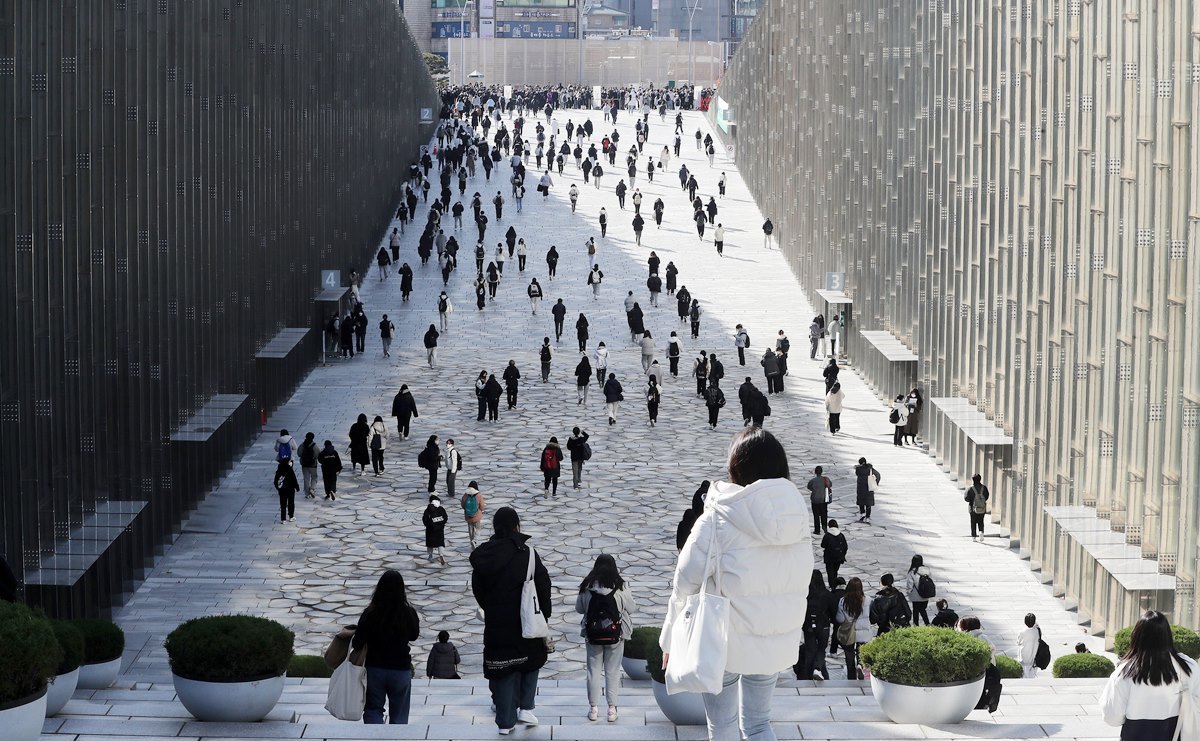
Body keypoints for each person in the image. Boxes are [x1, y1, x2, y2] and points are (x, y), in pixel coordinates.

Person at [660, 427, 811, 741]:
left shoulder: (717, 517)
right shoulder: (796, 516)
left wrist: (669, 640)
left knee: (723, 727)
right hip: (773, 637)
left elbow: (684, 582)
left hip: (723, 639)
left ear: (736, 467)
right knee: (758, 725)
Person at [471, 507, 552, 735]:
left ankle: (506, 722)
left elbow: (478, 588)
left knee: (504, 667)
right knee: (531, 660)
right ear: (517, 526)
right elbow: (543, 586)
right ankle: (526, 707)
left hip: (497, 623)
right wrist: (544, 614)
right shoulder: (527, 553)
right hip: (526, 620)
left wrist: (491, 607)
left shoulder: (485, 556)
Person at [1100, 610, 1200, 738]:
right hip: (1177, 734)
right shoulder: (1188, 666)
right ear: (1167, 635)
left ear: (1137, 636)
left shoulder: (1124, 672)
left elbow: (1112, 718)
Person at [352, 570, 421, 724]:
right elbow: (414, 636)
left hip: (375, 669)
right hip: (400, 669)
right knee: (400, 714)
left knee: (373, 709)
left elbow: (357, 643)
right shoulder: (408, 613)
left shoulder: (370, 613)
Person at [575, 554, 636, 722]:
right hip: (616, 634)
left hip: (592, 635)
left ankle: (593, 709)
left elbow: (579, 608)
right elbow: (631, 608)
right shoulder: (620, 586)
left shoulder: (587, 586)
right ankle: (611, 709)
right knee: (613, 671)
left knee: (593, 671)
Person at [796, 570, 834, 681]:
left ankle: (807, 676)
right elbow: (833, 612)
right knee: (821, 649)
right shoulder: (827, 594)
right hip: (823, 626)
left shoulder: (806, 594)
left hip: (808, 626)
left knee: (810, 651)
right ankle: (817, 669)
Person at [836, 577, 871, 680]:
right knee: (861, 651)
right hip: (863, 632)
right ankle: (860, 665)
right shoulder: (868, 600)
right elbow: (871, 615)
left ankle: (851, 677)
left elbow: (840, 618)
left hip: (849, 633)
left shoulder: (843, 601)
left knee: (849, 655)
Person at [675, 481, 708, 550]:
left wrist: (678, 547)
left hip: (698, 513)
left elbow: (694, 502)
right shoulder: (710, 494)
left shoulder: (682, 524)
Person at [905, 555, 934, 626]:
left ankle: (916, 625)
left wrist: (908, 593)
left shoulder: (912, 572)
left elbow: (910, 584)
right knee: (923, 609)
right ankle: (927, 623)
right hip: (925, 595)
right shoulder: (927, 570)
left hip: (916, 596)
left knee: (916, 611)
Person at [820, 520, 848, 591]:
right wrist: (843, 555)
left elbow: (823, 545)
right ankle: (835, 584)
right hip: (838, 557)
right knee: (835, 571)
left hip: (829, 557)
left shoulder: (827, 535)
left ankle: (831, 586)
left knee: (830, 572)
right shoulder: (841, 535)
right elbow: (845, 546)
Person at [423, 495, 449, 566]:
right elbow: (445, 518)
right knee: (440, 543)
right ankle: (441, 555)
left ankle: (430, 556)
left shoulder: (427, 510)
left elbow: (424, 520)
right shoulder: (441, 509)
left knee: (430, 544)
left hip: (430, 530)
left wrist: (428, 526)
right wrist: (441, 525)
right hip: (440, 530)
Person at [853, 457, 880, 522]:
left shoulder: (858, 469)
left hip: (861, 488)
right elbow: (878, 475)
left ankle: (862, 513)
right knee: (868, 502)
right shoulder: (870, 469)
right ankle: (868, 516)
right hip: (869, 487)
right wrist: (876, 482)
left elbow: (857, 474)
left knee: (861, 501)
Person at [806, 466, 832, 535]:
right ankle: (825, 527)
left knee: (816, 515)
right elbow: (830, 485)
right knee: (824, 514)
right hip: (823, 499)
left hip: (815, 500)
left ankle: (817, 530)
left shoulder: (813, 481)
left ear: (815, 472)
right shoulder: (826, 479)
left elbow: (809, 487)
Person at [965, 474, 990, 541]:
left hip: (972, 508)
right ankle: (981, 532)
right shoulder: (984, 488)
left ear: (973, 480)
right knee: (981, 521)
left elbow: (966, 498)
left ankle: (974, 536)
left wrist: (972, 500)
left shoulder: (970, 488)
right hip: (982, 507)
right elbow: (987, 496)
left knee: (973, 522)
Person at [461, 481, 485, 548]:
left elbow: (463, 505)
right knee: (478, 528)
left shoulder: (465, 494)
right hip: (477, 516)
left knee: (470, 529)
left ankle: (472, 541)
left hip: (468, 516)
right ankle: (475, 540)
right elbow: (482, 506)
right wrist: (481, 510)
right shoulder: (478, 495)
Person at [1017, 613, 1041, 678]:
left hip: (1024, 656)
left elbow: (1018, 642)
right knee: (1032, 674)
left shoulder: (1022, 632)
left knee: (1024, 674)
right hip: (1034, 656)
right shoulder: (1037, 631)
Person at [297, 433, 319, 499]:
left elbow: (299, 453)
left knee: (306, 478)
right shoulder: (314, 445)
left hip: (304, 464)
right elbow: (318, 454)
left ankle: (307, 493)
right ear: (313, 438)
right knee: (314, 477)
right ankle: (312, 489)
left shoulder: (302, 445)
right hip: (313, 464)